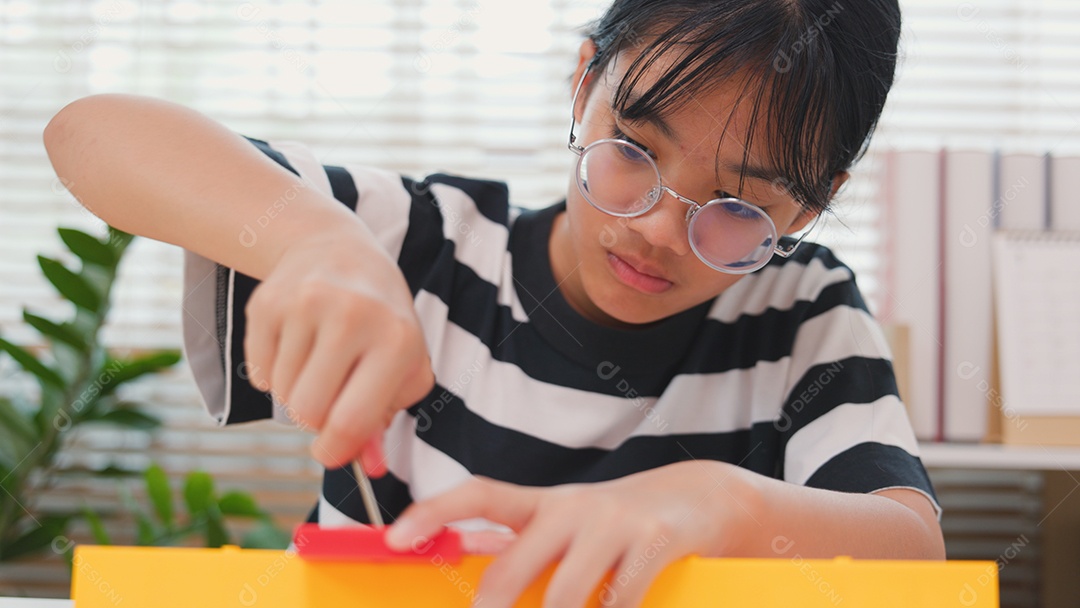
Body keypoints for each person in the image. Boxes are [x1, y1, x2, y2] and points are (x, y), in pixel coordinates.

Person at [44, 0, 945, 605]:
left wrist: (729, 505)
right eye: (632, 149)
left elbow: (913, 556)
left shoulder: (801, 311)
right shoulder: (427, 238)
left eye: (740, 207)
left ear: (816, 201)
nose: (658, 230)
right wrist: (317, 245)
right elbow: (90, 133)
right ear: (585, 81)